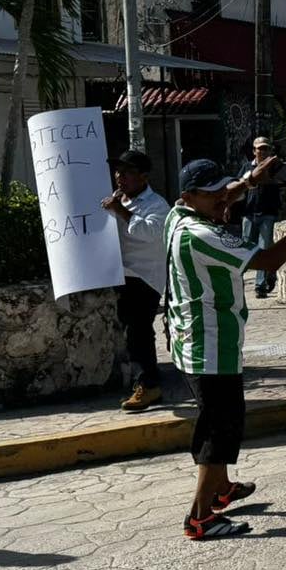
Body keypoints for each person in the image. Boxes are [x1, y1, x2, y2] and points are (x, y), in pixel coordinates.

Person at [167, 158, 286, 540]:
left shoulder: (177, 216)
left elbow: (222, 194)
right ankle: (201, 517)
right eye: (213, 195)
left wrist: (250, 180)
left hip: (195, 343)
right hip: (211, 347)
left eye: (224, 188)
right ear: (191, 197)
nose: (224, 198)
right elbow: (269, 260)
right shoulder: (204, 235)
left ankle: (220, 490)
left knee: (220, 422)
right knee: (218, 431)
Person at [102, 149, 170, 411]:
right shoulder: (119, 200)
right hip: (122, 275)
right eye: (118, 172)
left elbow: (152, 233)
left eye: (127, 173)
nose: (120, 177)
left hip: (144, 278)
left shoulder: (157, 205)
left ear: (143, 177)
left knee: (138, 331)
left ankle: (149, 385)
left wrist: (120, 211)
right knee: (134, 332)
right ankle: (146, 380)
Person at [237, 136, 282, 298]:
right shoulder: (246, 167)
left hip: (268, 214)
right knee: (245, 250)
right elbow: (239, 187)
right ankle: (237, 284)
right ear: (254, 151)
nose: (262, 151)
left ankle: (260, 286)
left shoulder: (276, 167)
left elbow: (283, 183)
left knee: (263, 249)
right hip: (249, 214)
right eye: (259, 148)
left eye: (265, 148)